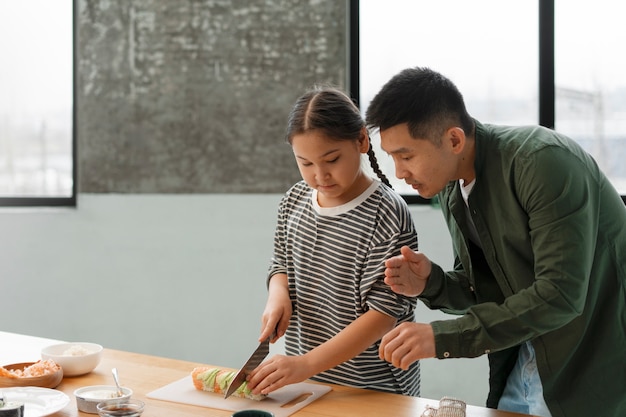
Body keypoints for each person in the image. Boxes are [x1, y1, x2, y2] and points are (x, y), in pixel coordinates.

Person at [365, 67, 626, 417]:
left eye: (406, 155)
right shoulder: (452, 188)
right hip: (526, 361)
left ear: (454, 140)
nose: (398, 172)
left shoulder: (542, 161)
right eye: (392, 157)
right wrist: (432, 282)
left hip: (594, 363)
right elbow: (489, 291)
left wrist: (442, 338)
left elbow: (560, 296)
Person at [246, 86, 421, 397]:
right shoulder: (294, 201)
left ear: (362, 141)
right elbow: (281, 263)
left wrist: (304, 364)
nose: (320, 175)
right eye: (306, 163)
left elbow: (383, 315)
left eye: (331, 159)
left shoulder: (388, 213)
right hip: (309, 384)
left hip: (374, 389)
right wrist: (278, 294)